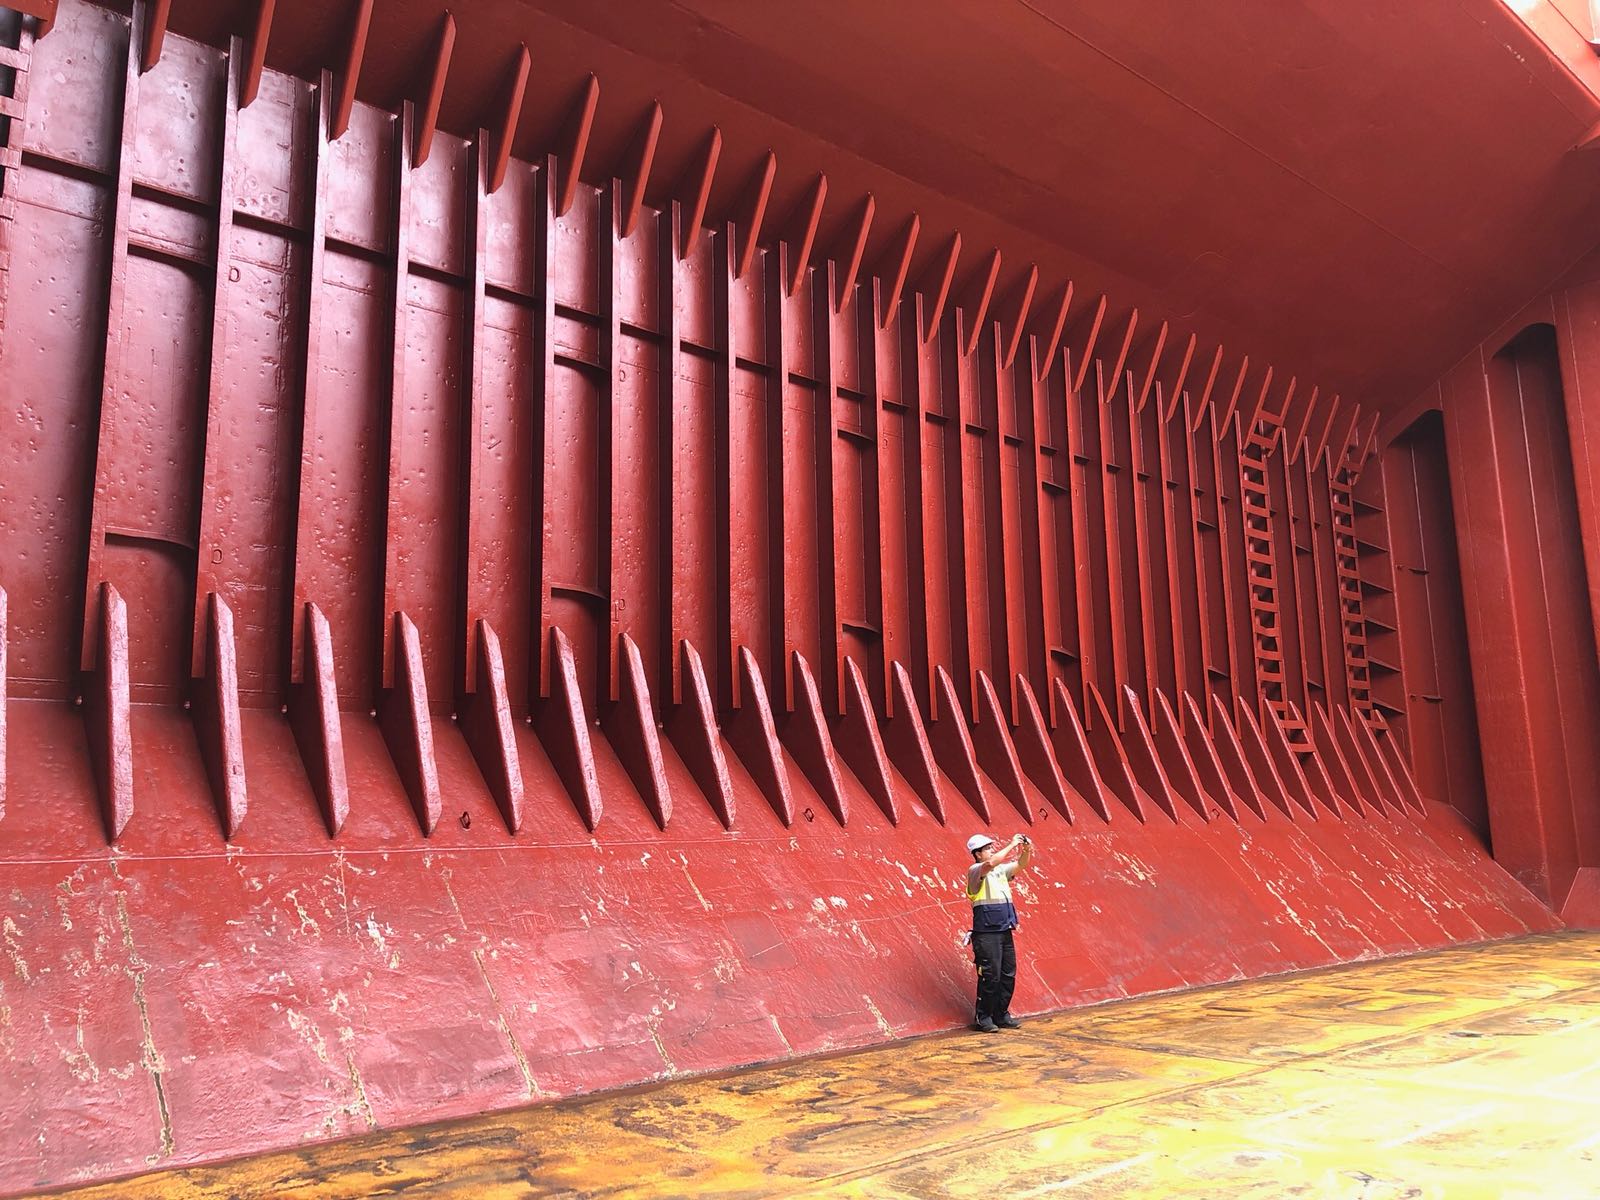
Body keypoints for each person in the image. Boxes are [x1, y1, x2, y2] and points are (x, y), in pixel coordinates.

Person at [965, 832, 1032, 1032]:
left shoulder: (1000, 871)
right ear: (977, 854)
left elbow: (1021, 864)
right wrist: (1012, 844)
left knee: (1007, 974)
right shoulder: (976, 870)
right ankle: (983, 1017)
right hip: (986, 932)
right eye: (987, 849)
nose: (991, 851)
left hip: (1004, 929)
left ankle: (1001, 1014)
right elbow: (991, 863)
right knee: (990, 975)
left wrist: (1026, 849)